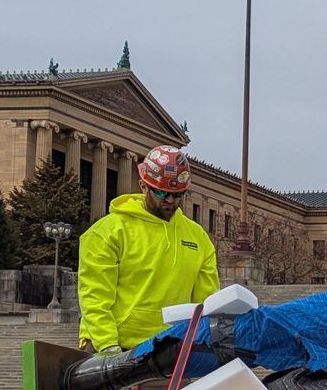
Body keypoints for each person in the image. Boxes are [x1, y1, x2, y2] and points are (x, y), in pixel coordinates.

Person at [77, 145, 220, 354]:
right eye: (162, 192)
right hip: (113, 344)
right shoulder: (109, 231)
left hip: (171, 346)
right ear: (143, 186)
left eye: (178, 194)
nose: (171, 201)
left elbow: (206, 301)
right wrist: (108, 345)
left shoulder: (198, 238)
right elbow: (95, 296)